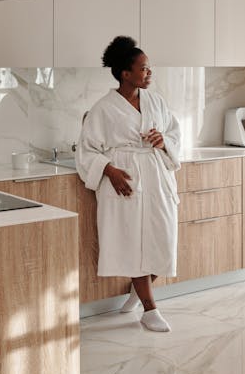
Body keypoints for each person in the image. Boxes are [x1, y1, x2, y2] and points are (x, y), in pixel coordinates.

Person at [76, 36, 181, 332]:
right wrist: (109, 170)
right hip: (126, 181)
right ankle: (150, 309)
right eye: (144, 69)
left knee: (162, 239)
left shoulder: (156, 101)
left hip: (157, 176)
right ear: (126, 73)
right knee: (132, 242)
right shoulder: (103, 109)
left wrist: (164, 141)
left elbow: (175, 132)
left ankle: (139, 290)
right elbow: (85, 150)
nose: (150, 73)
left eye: (149, 69)